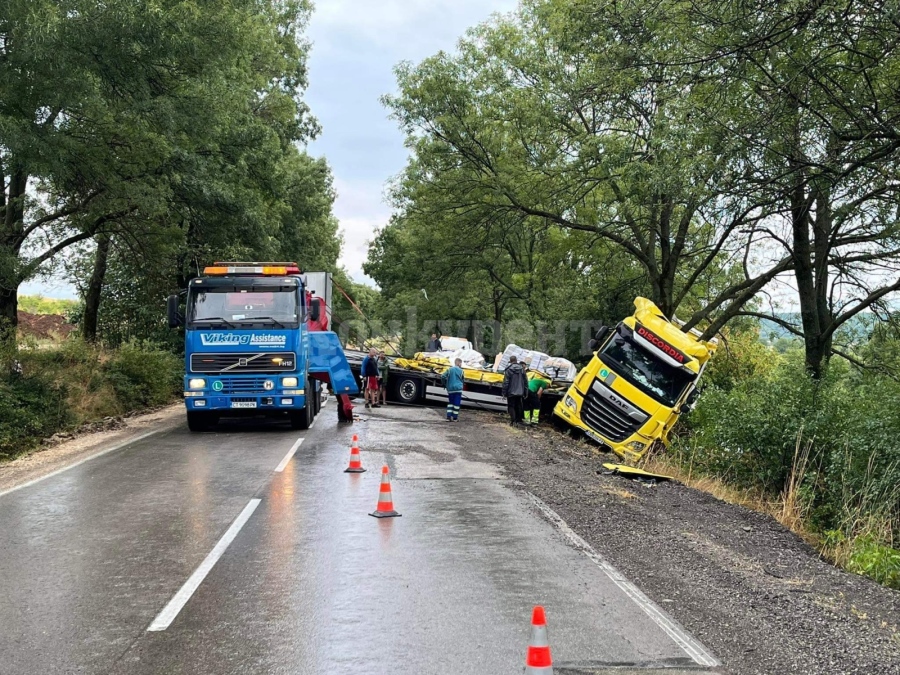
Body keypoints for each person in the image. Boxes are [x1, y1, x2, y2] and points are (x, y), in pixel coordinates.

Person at [502, 355, 528, 427]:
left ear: (510, 361)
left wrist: (504, 392)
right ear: (516, 360)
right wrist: (525, 392)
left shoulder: (509, 369)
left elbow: (506, 382)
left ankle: (512, 421)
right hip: (520, 392)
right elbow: (526, 381)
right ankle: (517, 421)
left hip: (511, 391)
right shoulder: (522, 369)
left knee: (511, 406)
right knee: (518, 406)